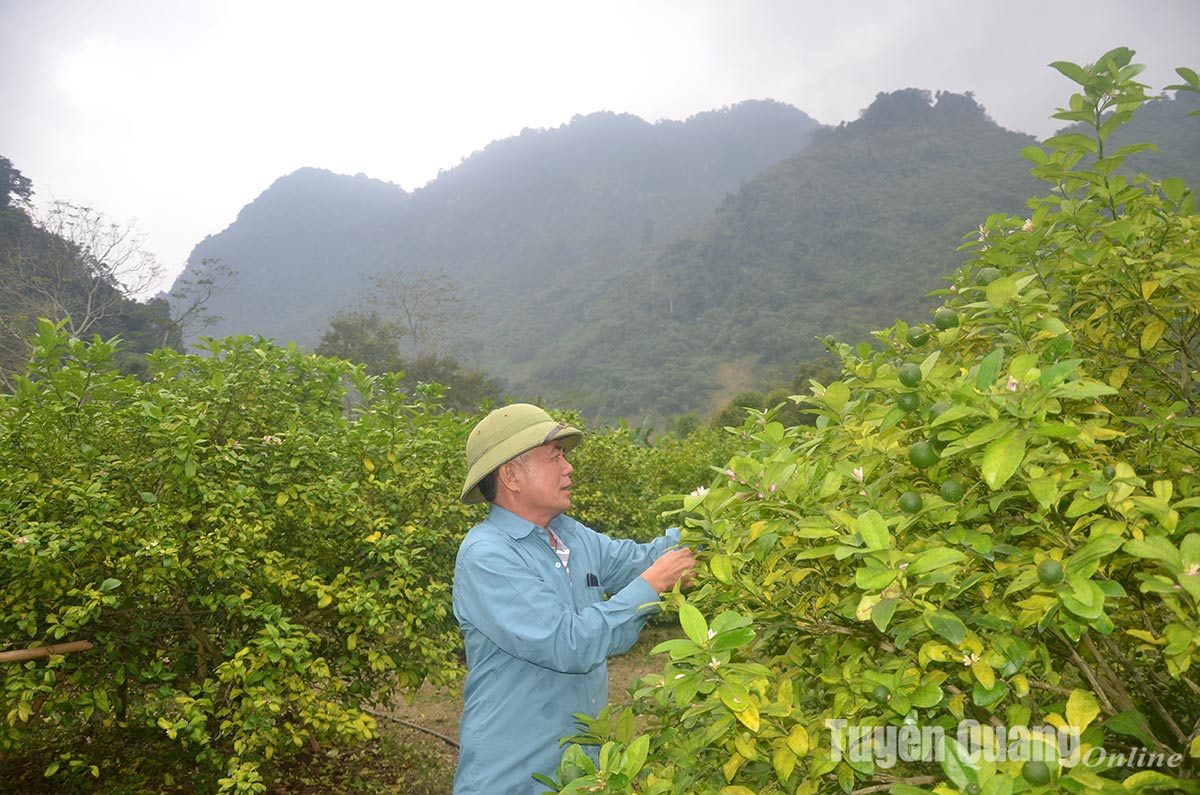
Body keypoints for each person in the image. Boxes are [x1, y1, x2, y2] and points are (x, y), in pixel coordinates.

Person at [452, 403, 696, 795]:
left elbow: (642, 560)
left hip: (583, 774)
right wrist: (653, 585)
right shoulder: (487, 555)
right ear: (511, 475)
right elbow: (569, 644)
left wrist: (715, 517)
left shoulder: (571, 535)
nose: (568, 469)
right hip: (515, 776)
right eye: (555, 458)